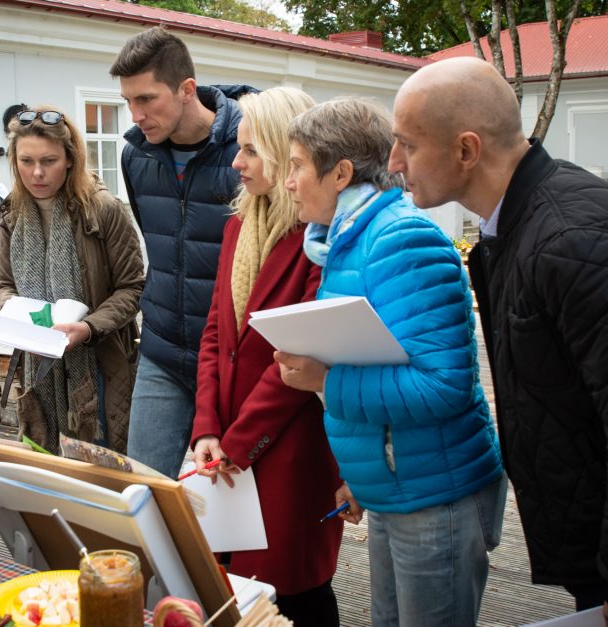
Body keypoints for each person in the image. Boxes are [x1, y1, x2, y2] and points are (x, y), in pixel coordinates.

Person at [388, 56, 608, 626]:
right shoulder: (521, 226)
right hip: (602, 538)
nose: (394, 162)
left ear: (466, 150)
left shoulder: (574, 240)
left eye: (407, 144)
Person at [275, 97, 506, 626]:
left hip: (436, 497)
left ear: (340, 173)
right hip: (400, 487)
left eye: (295, 165)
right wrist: (364, 475)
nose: (288, 181)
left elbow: (442, 385)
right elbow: (377, 358)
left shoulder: (402, 240)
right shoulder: (348, 242)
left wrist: (325, 382)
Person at [190, 87, 342, 626]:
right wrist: (207, 427)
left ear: (285, 153)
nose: (237, 163)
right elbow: (215, 334)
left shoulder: (319, 240)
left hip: (290, 449)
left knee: (294, 590)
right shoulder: (238, 226)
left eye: (251, 150)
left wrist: (238, 443)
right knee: (229, 589)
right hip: (228, 443)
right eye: (238, 148)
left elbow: (299, 356)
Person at [109, 26, 255, 478]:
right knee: (143, 492)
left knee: (227, 511)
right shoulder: (136, 156)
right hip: (162, 351)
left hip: (234, 360)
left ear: (187, 89)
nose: (136, 115)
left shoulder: (249, 150)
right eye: (129, 101)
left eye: (147, 99)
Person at [0, 106, 144, 455]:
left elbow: (133, 286)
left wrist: (88, 327)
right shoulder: (12, 213)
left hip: (100, 367)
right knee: (47, 472)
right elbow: (4, 284)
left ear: (70, 159)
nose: (37, 173)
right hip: (37, 368)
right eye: (26, 161)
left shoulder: (103, 210)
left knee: (100, 470)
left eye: (49, 161)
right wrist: (17, 315)